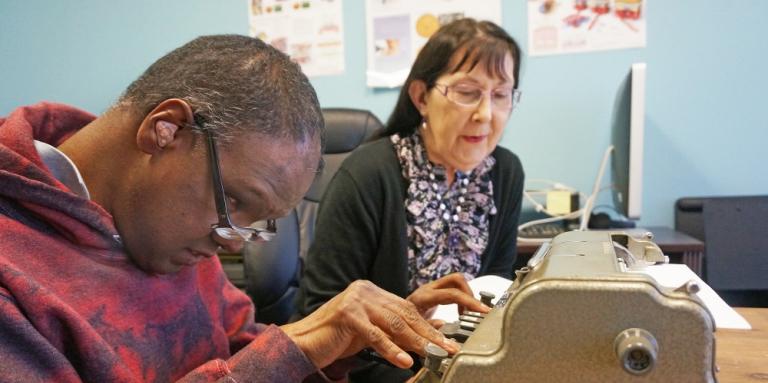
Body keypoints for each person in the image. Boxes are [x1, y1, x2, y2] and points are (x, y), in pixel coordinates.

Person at [0, 35, 482, 382]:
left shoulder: (163, 231)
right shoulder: (14, 279)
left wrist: (346, 344)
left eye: (256, 222)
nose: (231, 240)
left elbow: (238, 350)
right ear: (164, 130)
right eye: (235, 201)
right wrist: (292, 348)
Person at [295, 18, 526, 382]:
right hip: (381, 369)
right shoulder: (368, 175)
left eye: (501, 95)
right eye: (468, 92)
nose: (485, 114)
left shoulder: (506, 172)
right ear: (421, 97)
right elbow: (321, 319)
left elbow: (495, 287)